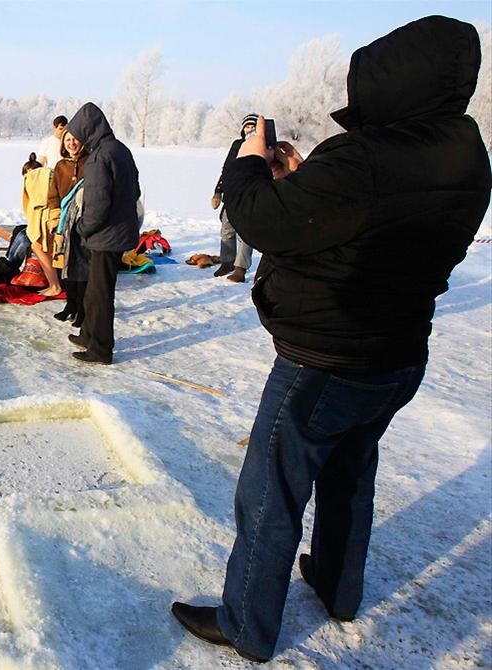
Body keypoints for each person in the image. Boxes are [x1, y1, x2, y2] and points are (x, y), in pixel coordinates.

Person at [171, 16, 491, 663]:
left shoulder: (368, 157)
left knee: (270, 489)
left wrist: (250, 159)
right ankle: (339, 586)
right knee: (350, 473)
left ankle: (248, 625)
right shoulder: (466, 153)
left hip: (327, 360)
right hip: (399, 354)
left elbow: (263, 219)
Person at [64, 102, 141, 364]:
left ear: (88, 130)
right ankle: (88, 333)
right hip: (117, 233)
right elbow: (136, 191)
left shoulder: (98, 158)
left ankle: (100, 349)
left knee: (100, 294)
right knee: (94, 290)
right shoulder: (121, 150)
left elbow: (97, 205)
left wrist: (84, 228)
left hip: (106, 237)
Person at [210, 114, 258, 283]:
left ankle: (240, 268)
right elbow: (227, 168)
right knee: (227, 229)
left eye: (254, 127)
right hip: (232, 193)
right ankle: (227, 262)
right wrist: (218, 191)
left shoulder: (263, 146)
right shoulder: (237, 145)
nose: (250, 130)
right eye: (247, 127)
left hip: (252, 194)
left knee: (245, 233)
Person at [48, 130, 89, 325]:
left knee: (81, 269)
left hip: (83, 224)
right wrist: (54, 216)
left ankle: (82, 308)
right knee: (64, 268)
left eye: (75, 139)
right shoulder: (60, 166)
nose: (72, 143)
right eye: (68, 140)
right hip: (63, 225)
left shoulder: (90, 163)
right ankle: (70, 304)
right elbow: (53, 194)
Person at [21, 153, 63, 296]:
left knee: (38, 247)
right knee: (42, 248)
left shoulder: (38, 177)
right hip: (48, 215)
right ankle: (54, 283)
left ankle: (55, 285)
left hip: (48, 216)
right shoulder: (49, 176)